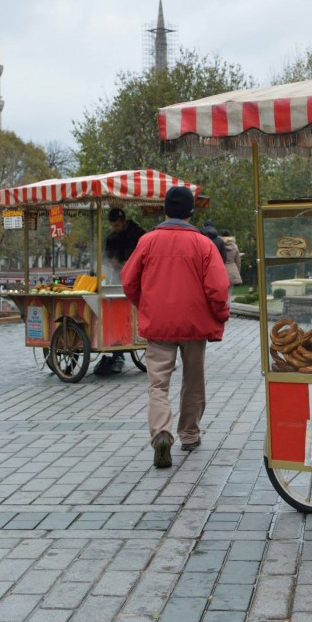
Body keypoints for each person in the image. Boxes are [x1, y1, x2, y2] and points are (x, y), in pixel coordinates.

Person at [121, 186, 230, 468]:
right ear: (191, 212)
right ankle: (190, 434)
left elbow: (129, 282)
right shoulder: (204, 244)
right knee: (193, 380)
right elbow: (218, 288)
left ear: (166, 210)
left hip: (159, 325)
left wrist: (145, 305)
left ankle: (161, 433)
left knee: (158, 384)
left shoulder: (147, 241)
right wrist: (220, 314)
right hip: (194, 325)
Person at [94, 208, 146, 375]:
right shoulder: (111, 237)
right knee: (116, 317)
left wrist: (125, 263)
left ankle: (142, 343)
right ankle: (118, 353)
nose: (115, 228)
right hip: (116, 280)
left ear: (123, 221)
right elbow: (108, 257)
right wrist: (112, 262)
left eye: (117, 224)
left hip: (136, 280)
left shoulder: (138, 234)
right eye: (113, 225)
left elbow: (139, 257)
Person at [219, 230, 242, 301]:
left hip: (221, 272)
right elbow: (238, 261)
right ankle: (228, 310)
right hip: (233, 271)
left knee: (221, 294)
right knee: (229, 294)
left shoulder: (219, 246)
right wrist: (237, 271)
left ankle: (223, 310)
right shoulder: (235, 246)